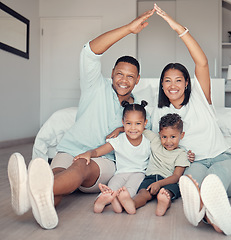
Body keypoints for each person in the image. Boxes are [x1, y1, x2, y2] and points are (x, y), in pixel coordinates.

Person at [7, 8, 155, 230]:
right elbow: (90, 52)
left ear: (138, 80)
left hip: (102, 161)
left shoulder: (139, 112)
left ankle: (25, 191)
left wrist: (122, 130)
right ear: (112, 72)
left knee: (79, 167)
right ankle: (44, 212)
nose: (124, 80)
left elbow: (142, 137)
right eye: (119, 74)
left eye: (130, 76)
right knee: (55, 178)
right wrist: (128, 29)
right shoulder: (94, 85)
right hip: (69, 148)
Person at [150, 4, 231, 236]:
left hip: (223, 158)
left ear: (187, 83)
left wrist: (178, 29)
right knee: (192, 183)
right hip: (194, 164)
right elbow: (160, 146)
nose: (173, 85)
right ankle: (212, 215)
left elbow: (201, 62)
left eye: (178, 80)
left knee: (218, 176)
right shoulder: (158, 114)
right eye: (167, 81)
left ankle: (206, 209)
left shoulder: (201, 99)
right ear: (162, 85)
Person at [73, 101, 150, 213]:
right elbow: (98, 151)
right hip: (120, 174)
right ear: (123, 122)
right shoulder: (119, 140)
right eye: (129, 123)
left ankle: (120, 201)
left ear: (145, 123)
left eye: (137, 123)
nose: (133, 128)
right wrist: (89, 154)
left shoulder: (148, 142)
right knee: (111, 187)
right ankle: (100, 202)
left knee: (130, 189)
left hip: (138, 174)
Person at [116, 113, 191, 217]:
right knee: (143, 193)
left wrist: (160, 184)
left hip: (168, 181)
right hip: (151, 178)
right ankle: (132, 204)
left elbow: (176, 176)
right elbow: (137, 129)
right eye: (164, 137)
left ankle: (163, 204)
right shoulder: (155, 140)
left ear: (181, 135)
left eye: (173, 137)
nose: (168, 141)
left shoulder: (181, 154)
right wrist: (119, 129)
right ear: (159, 134)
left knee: (166, 193)